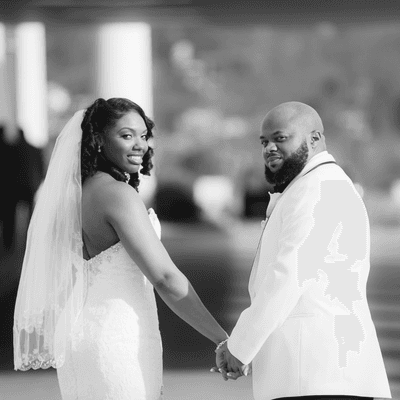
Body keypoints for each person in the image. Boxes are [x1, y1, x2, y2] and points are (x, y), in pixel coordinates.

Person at [13, 97, 229, 400]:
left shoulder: (78, 194)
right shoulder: (117, 195)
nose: (140, 144)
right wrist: (223, 339)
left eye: (143, 135)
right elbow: (165, 278)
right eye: (127, 135)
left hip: (82, 334)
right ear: (99, 140)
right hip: (115, 338)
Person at [213, 101, 392, 400]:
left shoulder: (319, 188)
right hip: (315, 374)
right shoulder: (309, 186)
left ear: (314, 138)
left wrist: (241, 347)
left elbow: (289, 275)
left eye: (280, 138)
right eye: (264, 141)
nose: (269, 148)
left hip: (317, 373)